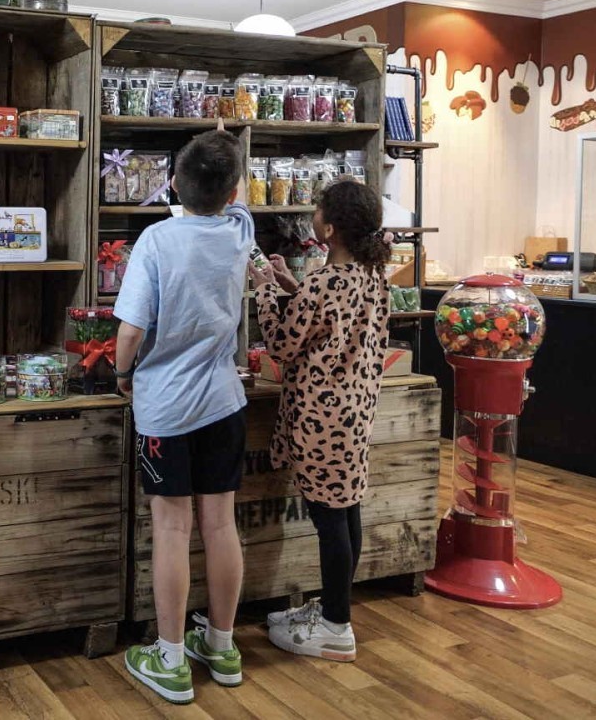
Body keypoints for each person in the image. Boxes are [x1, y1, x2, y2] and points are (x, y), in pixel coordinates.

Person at [114, 123, 252, 704]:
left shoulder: (155, 242)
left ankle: (170, 658)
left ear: (172, 182)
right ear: (233, 190)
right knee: (221, 524)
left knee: (172, 528)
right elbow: (234, 201)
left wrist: (122, 373)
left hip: (167, 407)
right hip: (225, 402)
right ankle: (220, 646)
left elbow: (130, 330)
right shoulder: (241, 232)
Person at [248, 179, 392, 663]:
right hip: (355, 410)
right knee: (346, 508)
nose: (311, 214)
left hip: (319, 416)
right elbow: (332, 324)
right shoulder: (372, 274)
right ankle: (334, 609)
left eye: (316, 210)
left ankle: (335, 626)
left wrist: (267, 292)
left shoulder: (325, 282)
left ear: (328, 228)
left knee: (328, 518)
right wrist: (293, 286)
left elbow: (284, 346)